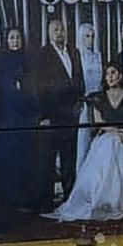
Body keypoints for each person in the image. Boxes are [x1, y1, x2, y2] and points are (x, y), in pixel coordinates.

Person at [49, 64, 123, 222]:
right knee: (110, 147)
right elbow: (100, 123)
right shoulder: (98, 97)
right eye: (108, 74)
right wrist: (116, 131)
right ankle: (108, 201)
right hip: (110, 134)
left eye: (114, 73)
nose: (111, 77)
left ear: (120, 76)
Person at [32, 17, 84, 206]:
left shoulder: (74, 52)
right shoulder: (42, 56)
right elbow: (38, 89)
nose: (59, 33)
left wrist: (80, 101)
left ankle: (69, 198)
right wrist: (43, 116)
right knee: (48, 161)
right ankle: (46, 201)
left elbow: (79, 79)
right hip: (51, 117)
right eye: (55, 30)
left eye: (61, 29)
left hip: (71, 116)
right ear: (49, 33)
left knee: (69, 159)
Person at [0, 27, 36, 214]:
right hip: (6, 116)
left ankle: (25, 200)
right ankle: (8, 201)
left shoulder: (29, 60)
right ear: (6, 40)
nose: (15, 41)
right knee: (7, 160)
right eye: (11, 38)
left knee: (25, 159)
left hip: (25, 117)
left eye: (18, 38)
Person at [75, 22, 104, 169]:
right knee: (83, 142)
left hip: (98, 104)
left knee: (98, 143)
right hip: (84, 105)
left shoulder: (98, 56)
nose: (90, 40)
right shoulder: (76, 57)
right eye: (87, 36)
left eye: (92, 36)